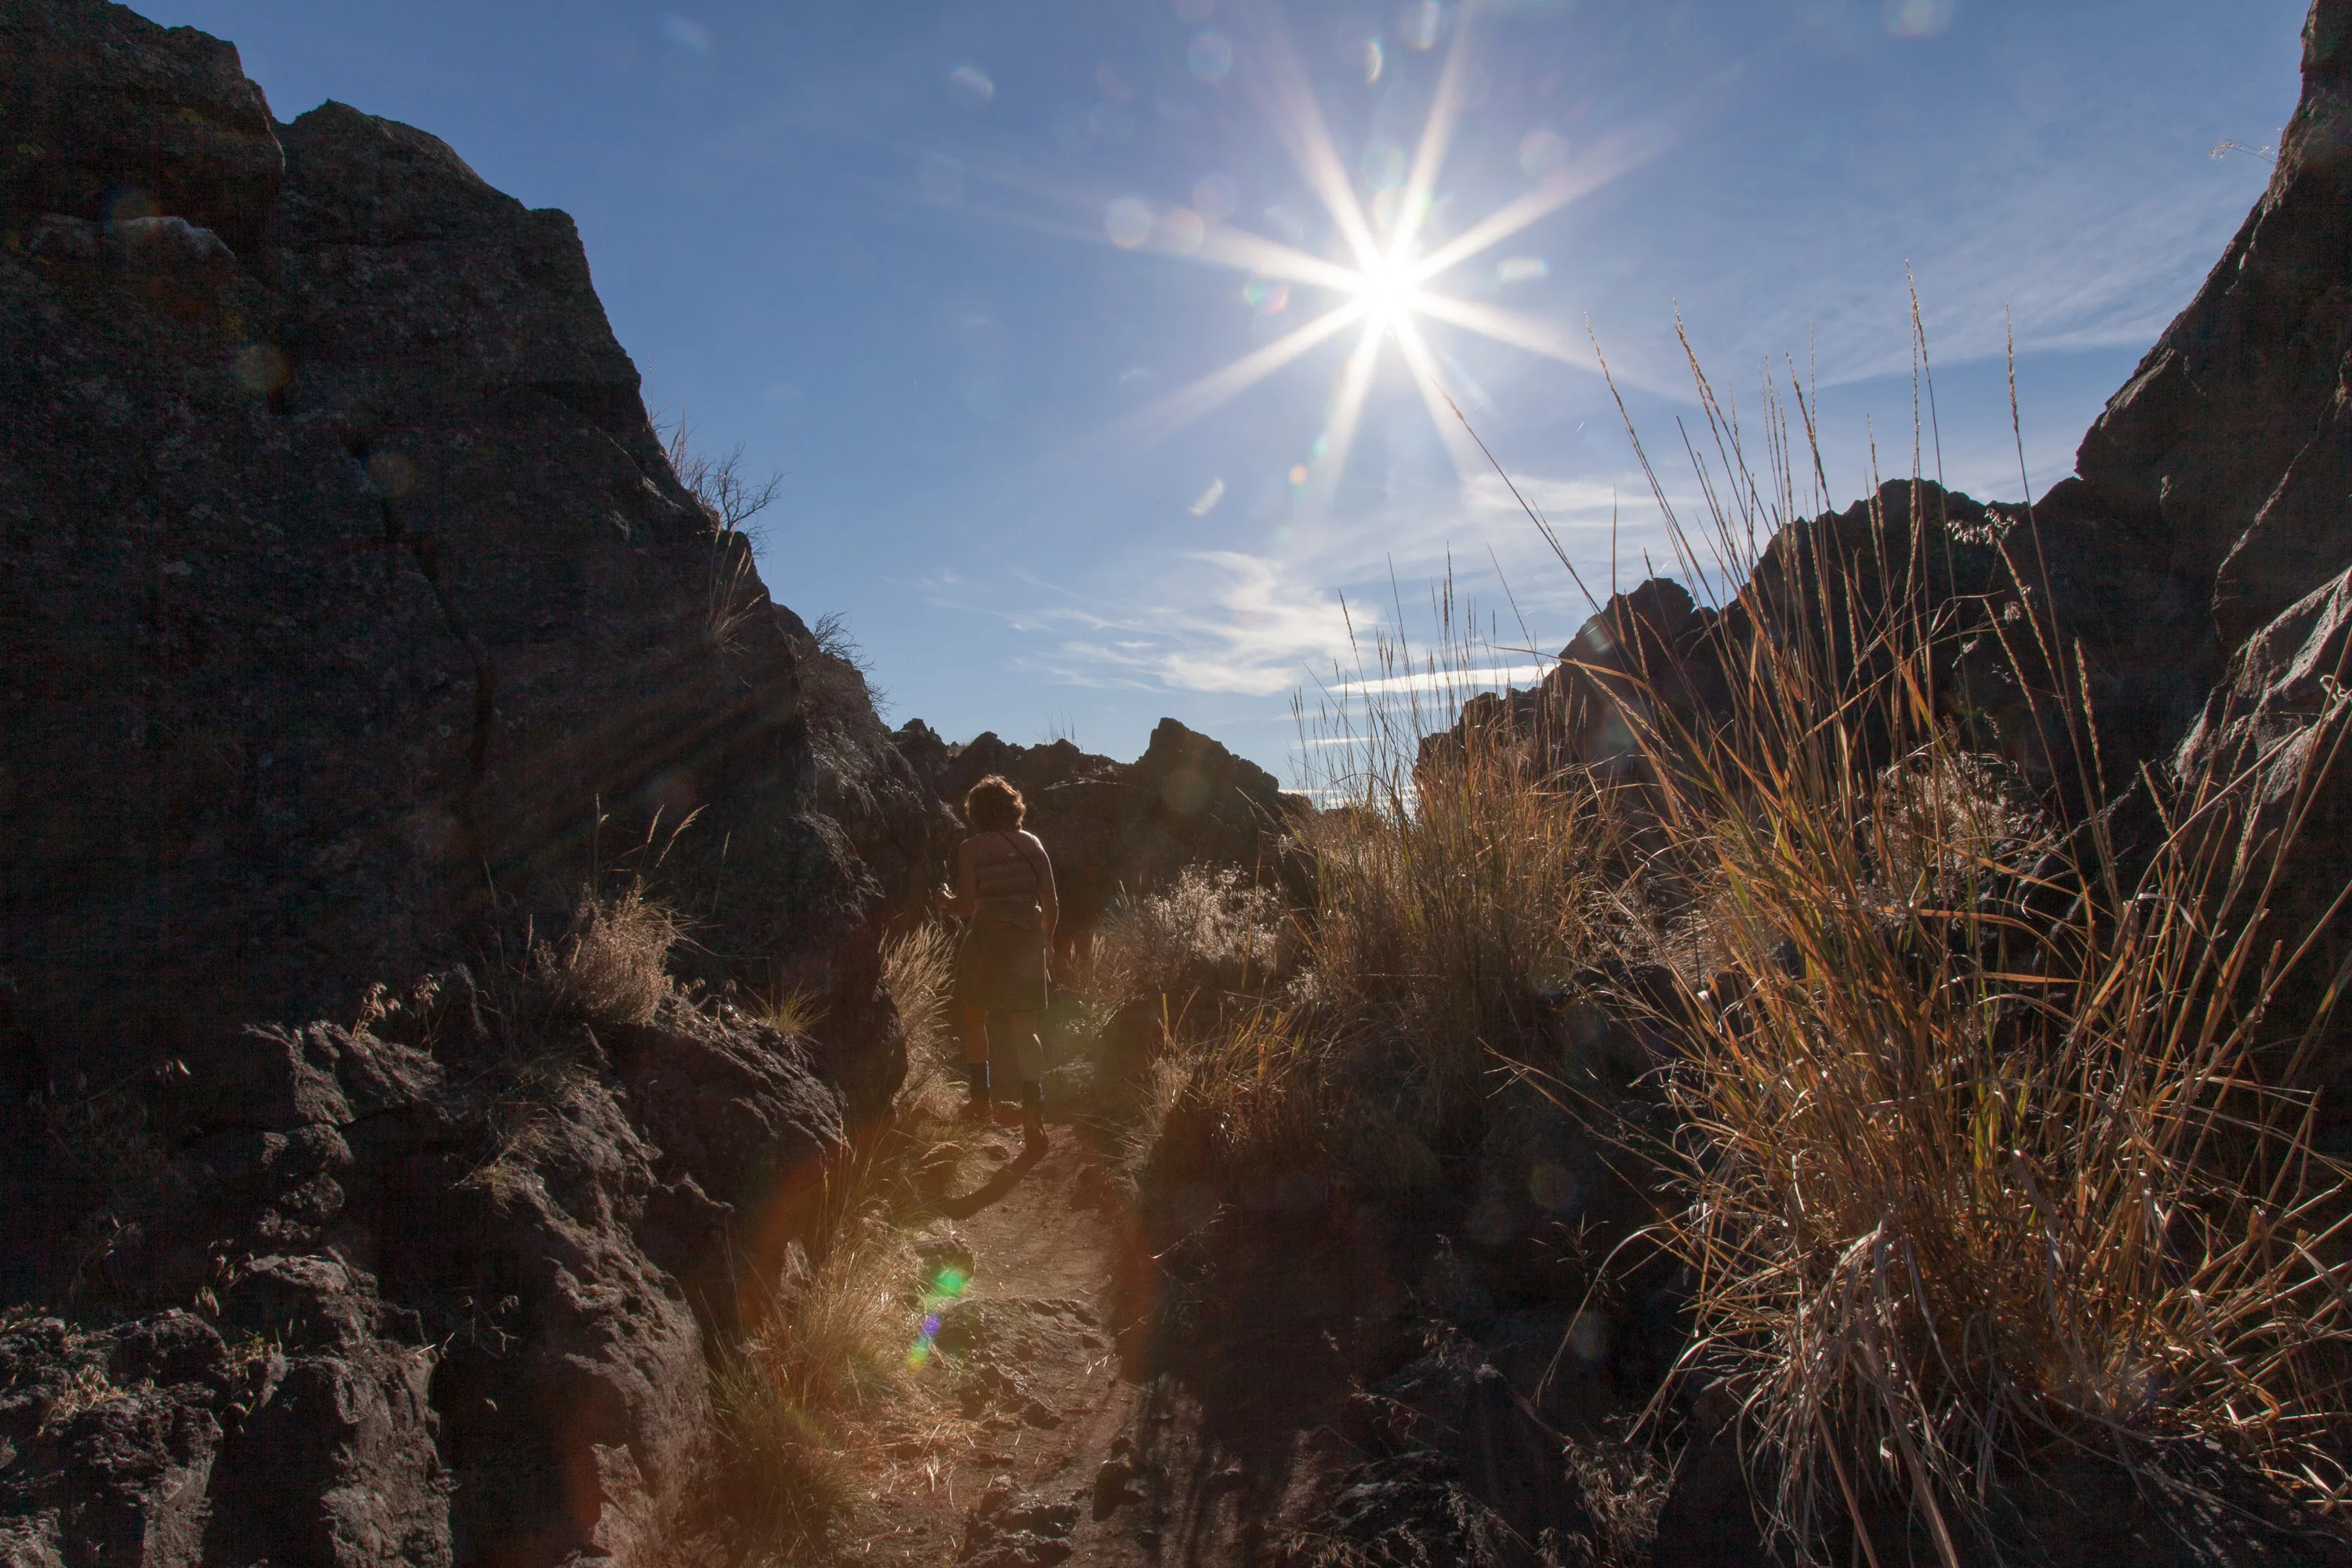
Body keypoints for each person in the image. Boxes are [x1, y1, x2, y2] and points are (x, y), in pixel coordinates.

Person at [938, 775, 1058, 1150]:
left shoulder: (972, 848)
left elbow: (966, 906)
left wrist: (944, 899)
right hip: (1026, 944)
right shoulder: (1033, 844)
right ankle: (1033, 1117)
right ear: (1013, 808)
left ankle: (980, 1103)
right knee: (1027, 1029)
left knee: (975, 1017)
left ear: (977, 812)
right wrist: (1046, 943)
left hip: (987, 940)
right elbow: (1052, 904)